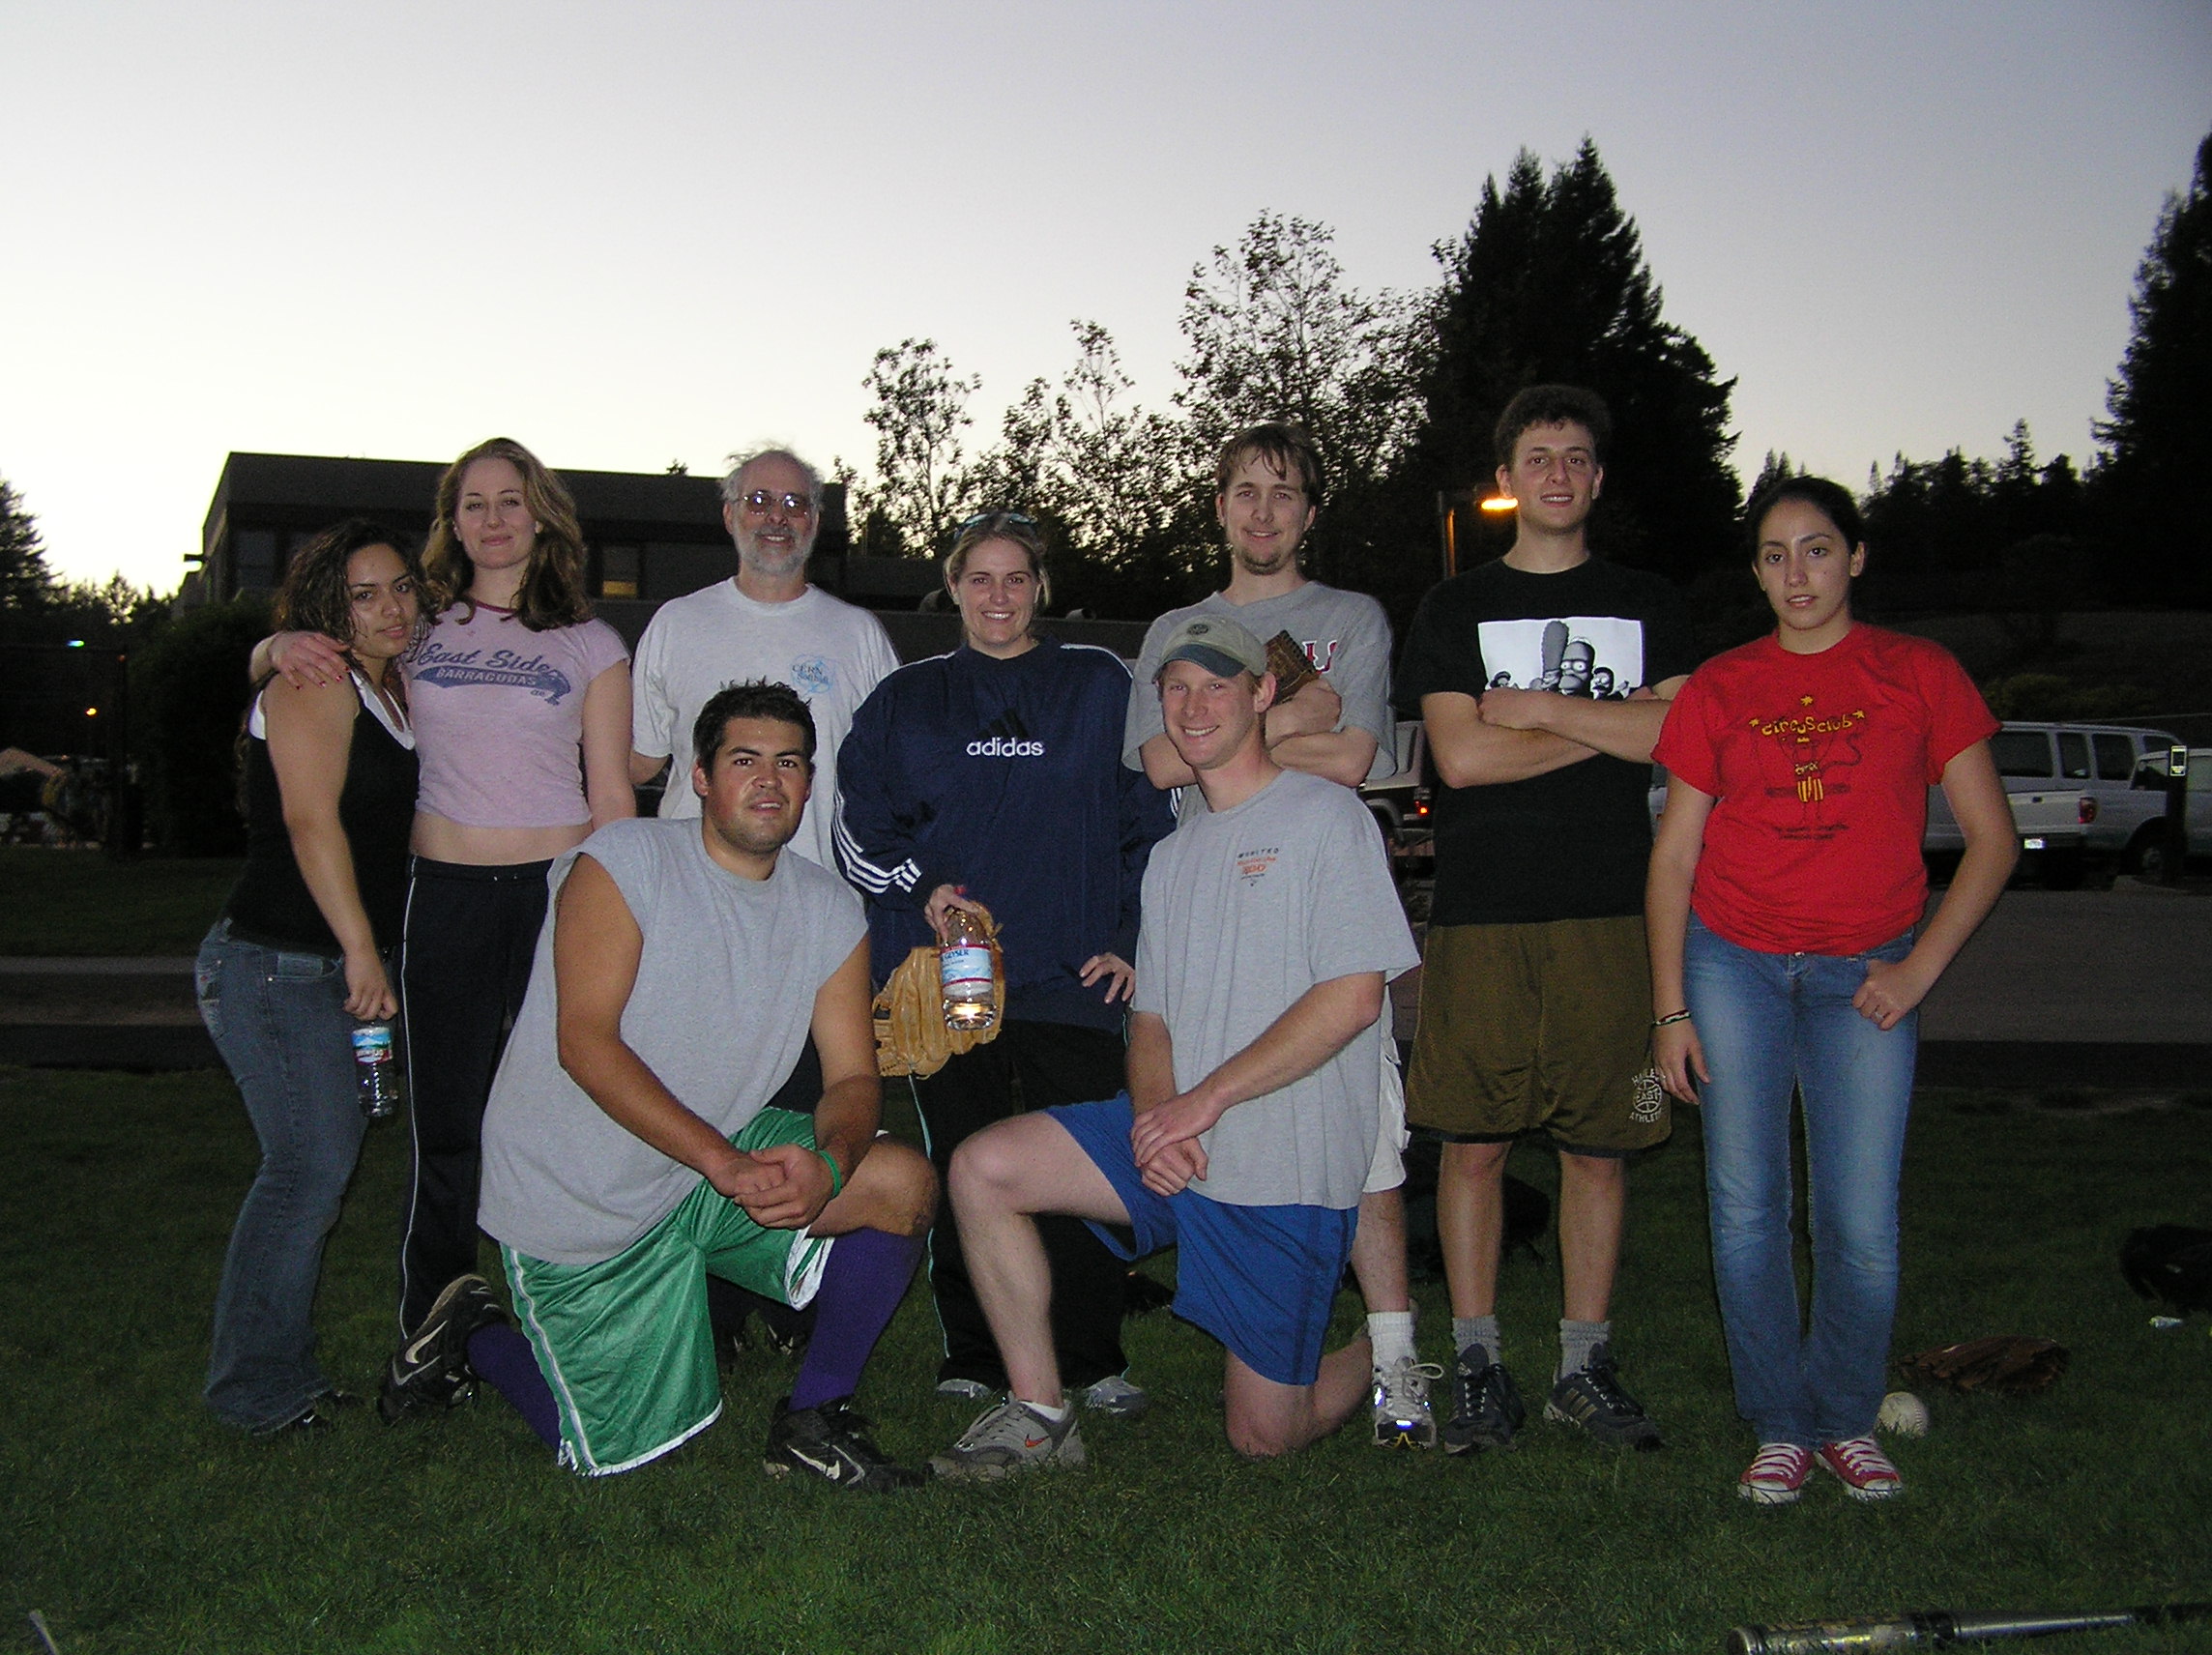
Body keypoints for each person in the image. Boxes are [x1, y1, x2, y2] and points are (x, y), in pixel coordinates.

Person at [932, 614, 1420, 1476]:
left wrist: (1203, 1104)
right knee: (981, 1168)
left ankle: (1383, 1366)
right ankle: (1042, 1411)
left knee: (1265, 1434)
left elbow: (1351, 996)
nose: (1194, 706)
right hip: (1181, 1138)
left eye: (1218, 684)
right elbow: (1150, 1018)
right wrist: (1159, 1122)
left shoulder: (1325, 819)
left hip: (1284, 1165)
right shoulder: (1171, 854)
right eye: (1176, 688)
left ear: (1264, 694)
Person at [421, 682, 939, 1484]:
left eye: (789, 763)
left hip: (709, 1168)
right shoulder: (623, 862)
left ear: (808, 781)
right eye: (744, 760)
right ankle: (473, 1331)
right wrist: (724, 1164)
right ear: (699, 777)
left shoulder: (828, 906)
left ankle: (812, 1416)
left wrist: (832, 1163)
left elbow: (852, 1078)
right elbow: (586, 1045)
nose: (769, 780)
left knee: (899, 1182)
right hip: (582, 1196)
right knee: (618, 1458)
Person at [1647, 475, 2016, 1504]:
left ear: (1854, 557)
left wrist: (1917, 967)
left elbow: (1991, 839)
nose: (1794, 573)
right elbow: (1673, 856)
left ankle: (1845, 1415)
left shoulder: (1917, 672)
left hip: (1866, 971)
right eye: (1771, 553)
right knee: (1745, 1209)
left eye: (1815, 548)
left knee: (1857, 1219)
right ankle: (1777, 1423)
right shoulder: (1721, 685)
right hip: (1734, 963)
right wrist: (1670, 1005)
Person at [261, 438, 636, 1409]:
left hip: (557, 896)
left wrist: (626, 914)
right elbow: (304, 658)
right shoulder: (415, 623)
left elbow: (611, 794)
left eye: (512, 501)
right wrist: (266, 646)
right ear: (453, 519)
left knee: (566, 1116)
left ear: (542, 516)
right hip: (448, 898)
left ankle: (575, 1316)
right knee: (450, 1129)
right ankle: (434, 1338)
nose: (493, 518)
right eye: (473, 502)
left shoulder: (592, 644)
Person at [1394, 385, 1695, 1455]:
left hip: (1614, 915)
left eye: (1575, 456)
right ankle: (1476, 1361)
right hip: (1481, 917)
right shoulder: (1454, 608)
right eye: (1537, 454)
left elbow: (1681, 738)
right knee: (1470, 1144)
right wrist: (1620, 726)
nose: (1557, 472)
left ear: (1596, 478)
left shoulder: (1649, 598)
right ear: (1507, 477)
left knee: (1600, 1145)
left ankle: (1582, 1363)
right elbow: (1463, 758)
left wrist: (1545, 708)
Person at [1122, 423, 1431, 1448]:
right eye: (1244, 491)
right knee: (1234, 1129)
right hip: (1211, 911)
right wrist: (1292, 714)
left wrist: (1258, 734)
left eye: (1283, 493)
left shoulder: (1349, 615)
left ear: (1307, 510)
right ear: (1218, 506)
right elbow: (1165, 765)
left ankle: (1396, 1354)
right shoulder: (1180, 622)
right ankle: (1281, 1318)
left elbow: (1355, 757)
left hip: (1316, 893)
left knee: (1366, 1138)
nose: (1262, 511)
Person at [837, 512, 1175, 1412]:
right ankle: (979, 1356)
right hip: (955, 980)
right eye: (979, 579)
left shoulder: (1100, 685)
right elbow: (858, 825)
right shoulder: (910, 698)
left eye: (1015, 579)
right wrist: (924, 892)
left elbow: (1155, 824)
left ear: (1040, 588)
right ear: (952, 587)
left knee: (1085, 1170)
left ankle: (1094, 1358)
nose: (997, 597)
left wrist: (1136, 942)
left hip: (1075, 978)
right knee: (963, 1165)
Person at [198, 520, 425, 1435]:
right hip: (276, 964)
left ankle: (274, 1375)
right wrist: (365, 952)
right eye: (365, 595)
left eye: (403, 587)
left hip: (328, 959)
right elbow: (309, 824)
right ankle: (255, 1392)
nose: (392, 608)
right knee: (306, 1171)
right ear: (329, 607)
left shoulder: (388, 686)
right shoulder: (316, 680)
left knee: (315, 1170)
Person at [628, 445, 900, 873]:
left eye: (795, 503)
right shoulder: (676, 624)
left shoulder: (859, 634)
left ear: (815, 522)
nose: (777, 517)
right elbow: (639, 762)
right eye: (758, 501)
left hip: (819, 893)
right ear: (729, 515)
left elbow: (898, 773)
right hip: (690, 890)